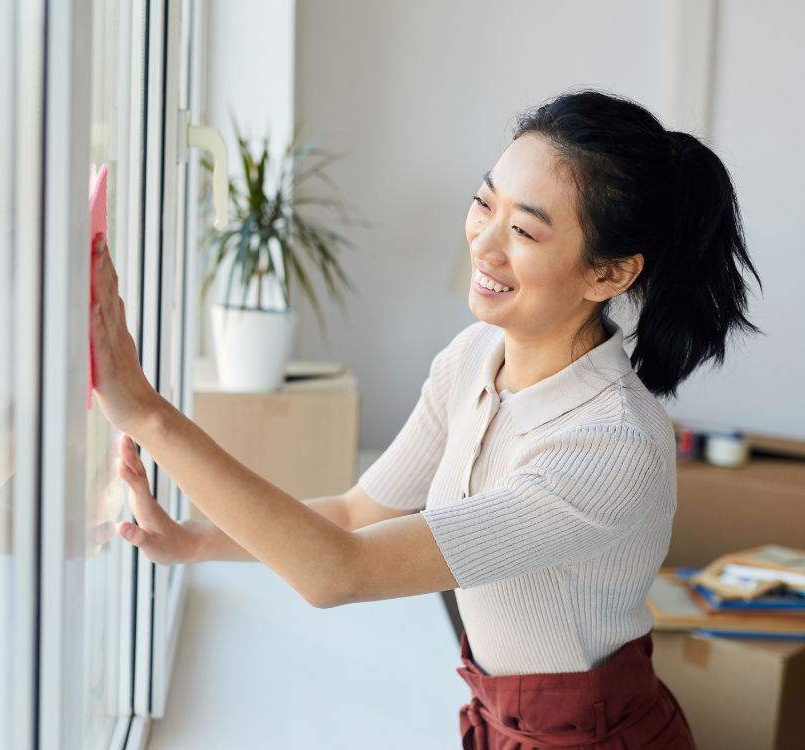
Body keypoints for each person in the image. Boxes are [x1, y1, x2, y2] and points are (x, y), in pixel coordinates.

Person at [88, 88, 762, 748]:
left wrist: (146, 413)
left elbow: (339, 570)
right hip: (499, 722)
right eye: (483, 203)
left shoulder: (610, 445)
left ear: (610, 275)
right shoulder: (474, 356)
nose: (484, 244)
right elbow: (356, 516)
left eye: (523, 230)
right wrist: (195, 541)